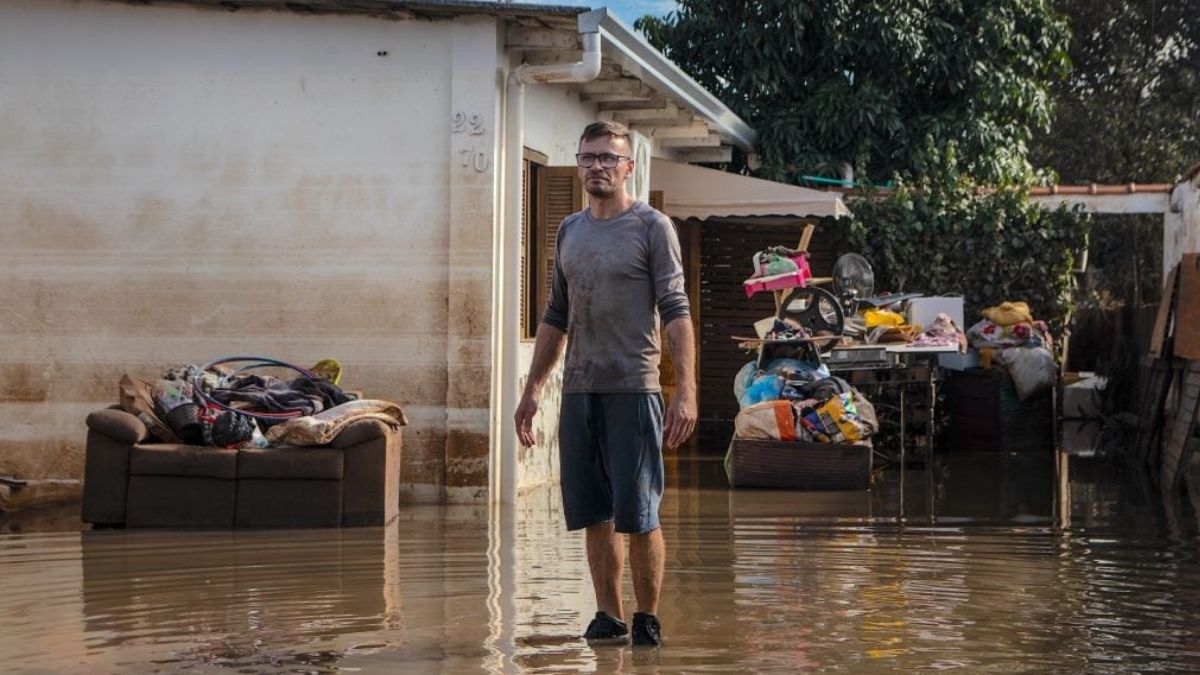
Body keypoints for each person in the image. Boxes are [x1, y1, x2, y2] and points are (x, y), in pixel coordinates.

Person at [514, 120, 697, 647]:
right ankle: (608, 615)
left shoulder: (651, 227)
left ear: (627, 167)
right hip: (578, 390)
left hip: (634, 389)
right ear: (578, 165)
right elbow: (555, 315)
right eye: (588, 157)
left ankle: (647, 618)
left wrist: (684, 389)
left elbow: (676, 311)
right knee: (594, 511)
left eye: (607, 158)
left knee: (638, 514)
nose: (597, 166)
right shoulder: (569, 230)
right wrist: (530, 392)